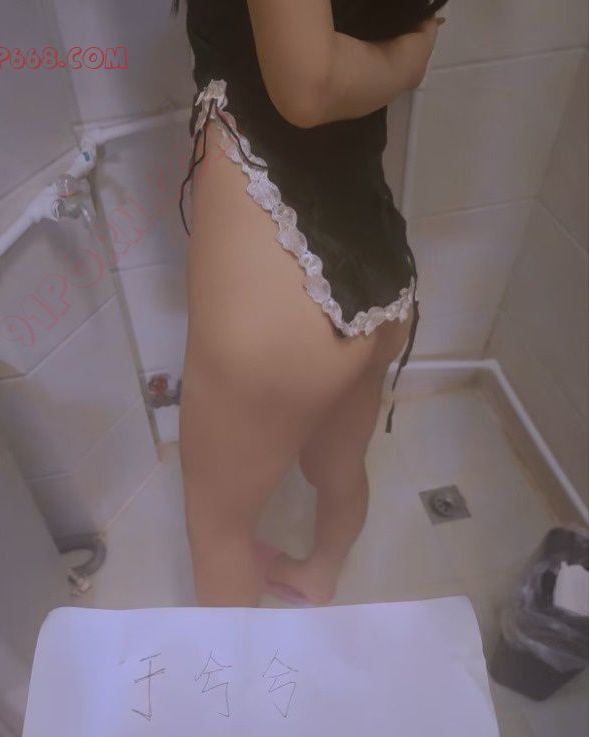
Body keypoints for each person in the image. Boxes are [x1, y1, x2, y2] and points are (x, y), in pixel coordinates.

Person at [173, 0, 446, 607]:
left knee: (218, 530)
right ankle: (320, 574)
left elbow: (307, 87)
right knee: (339, 467)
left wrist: (408, 64)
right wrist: (411, 57)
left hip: (277, 272)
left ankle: (236, 673)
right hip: (380, 265)